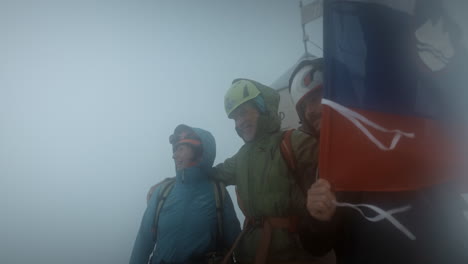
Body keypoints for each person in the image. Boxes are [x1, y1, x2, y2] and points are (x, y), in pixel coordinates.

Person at [289, 58, 468, 264]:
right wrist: (317, 219)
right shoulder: (323, 166)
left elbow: (447, 218)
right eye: (304, 105)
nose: (312, 109)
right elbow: (316, 246)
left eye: (321, 95)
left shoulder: (396, 139)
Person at [212, 79, 324, 264]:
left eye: (243, 113)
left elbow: (334, 165)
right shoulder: (241, 156)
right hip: (249, 253)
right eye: (235, 118)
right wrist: (172, 180)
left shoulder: (292, 142)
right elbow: (214, 175)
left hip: (295, 253)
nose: (239, 122)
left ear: (262, 108)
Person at [130, 124, 240, 264]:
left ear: (199, 152)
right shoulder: (162, 192)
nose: (174, 155)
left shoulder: (217, 192)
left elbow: (236, 242)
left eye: (180, 149)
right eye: (175, 150)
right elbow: (143, 243)